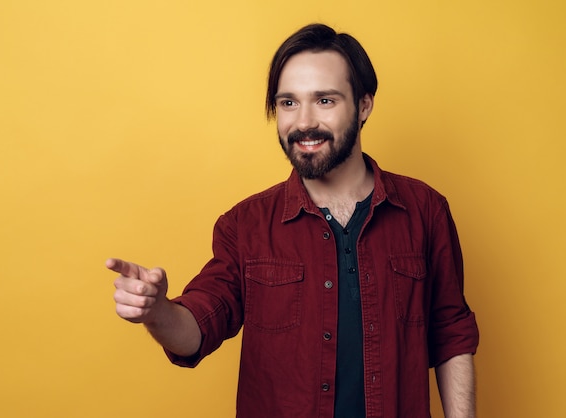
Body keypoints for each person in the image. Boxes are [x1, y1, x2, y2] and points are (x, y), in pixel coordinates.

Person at [107, 23, 479, 418]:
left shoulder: (425, 211)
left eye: (324, 101)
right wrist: (158, 312)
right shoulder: (244, 226)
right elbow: (199, 326)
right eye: (288, 103)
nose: (303, 122)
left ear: (364, 105)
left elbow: (451, 335)